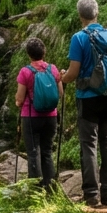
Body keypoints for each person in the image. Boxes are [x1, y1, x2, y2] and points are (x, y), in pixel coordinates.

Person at [60, 0, 107, 208]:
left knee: (89, 144)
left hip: (87, 98)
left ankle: (92, 194)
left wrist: (63, 77)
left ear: (80, 16)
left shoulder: (79, 38)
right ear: (97, 13)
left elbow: (74, 72)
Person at [15, 37, 62, 191]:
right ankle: (50, 189)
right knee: (47, 152)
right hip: (51, 117)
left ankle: (35, 191)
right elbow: (60, 93)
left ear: (29, 54)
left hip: (31, 117)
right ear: (44, 52)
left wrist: (17, 103)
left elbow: (20, 99)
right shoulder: (53, 69)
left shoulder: (26, 72)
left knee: (33, 153)